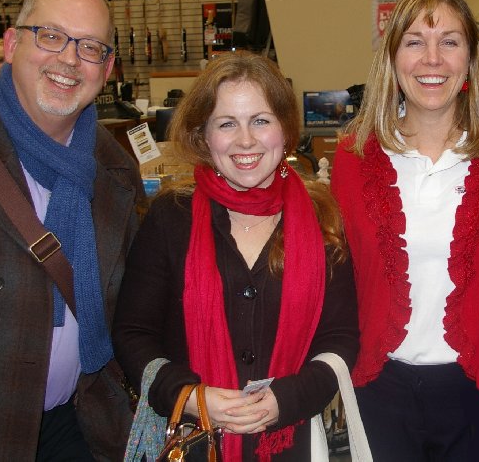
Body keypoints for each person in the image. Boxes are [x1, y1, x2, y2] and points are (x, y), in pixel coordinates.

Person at [0, 0, 144, 460]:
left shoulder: (115, 168)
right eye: (51, 36)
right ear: (13, 43)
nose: (68, 59)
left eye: (90, 47)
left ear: (105, 69)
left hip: (81, 428)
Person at [330, 0, 479, 461]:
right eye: (414, 42)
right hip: (378, 390)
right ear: (392, 59)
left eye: (449, 42)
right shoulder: (353, 159)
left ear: (470, 60)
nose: (432, 59)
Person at [113, 51, 359, 461]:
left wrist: (289, 398)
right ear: (204, 136)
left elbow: (341, 338)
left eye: (260, 120)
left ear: (285, 129)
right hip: (192, 442)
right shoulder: (170, 219)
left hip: (293, 441)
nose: (246, 140)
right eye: (227, 123)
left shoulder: (323, 220)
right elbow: (132, 333)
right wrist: (189, 395)